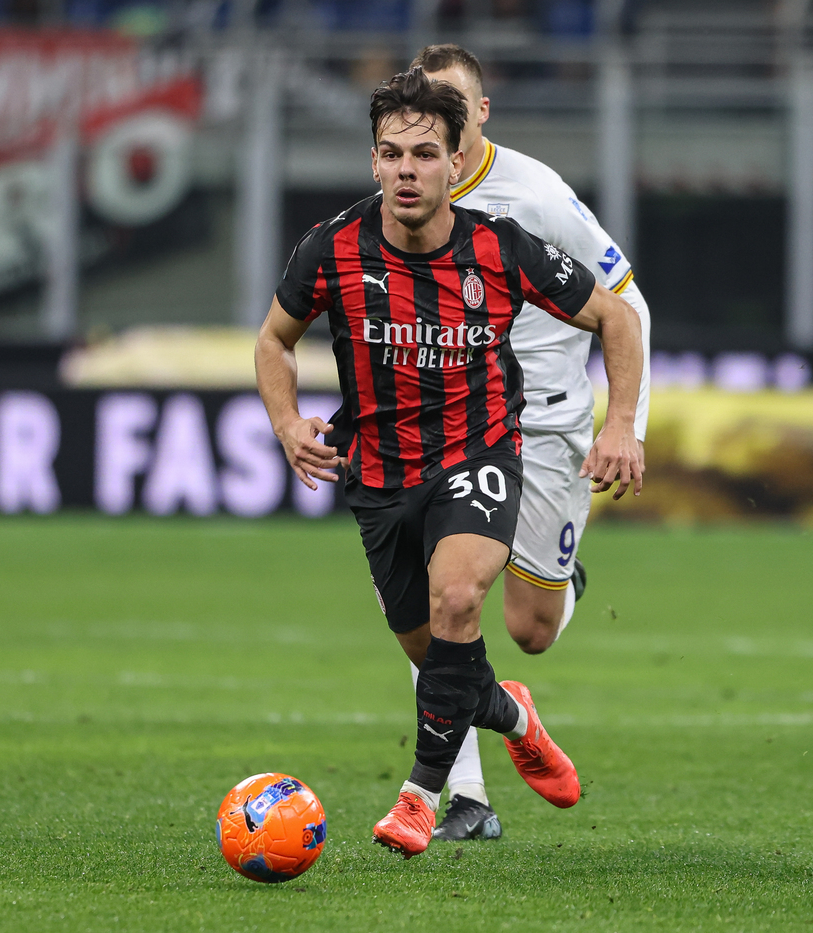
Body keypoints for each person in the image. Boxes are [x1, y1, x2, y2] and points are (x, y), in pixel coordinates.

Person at [254, 68, 645, 858]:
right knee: (439, 657)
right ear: (373, 162)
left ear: (454, 158)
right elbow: (273, 341)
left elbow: (616, 317)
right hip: (379, 475)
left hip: (480, 456)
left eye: (424, 154)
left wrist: (623, 424)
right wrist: (287, 420)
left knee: (459, 595)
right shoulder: (331, 247)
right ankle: (512, 716)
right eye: (392, 153)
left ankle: (422, 797)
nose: (407, 169)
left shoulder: (501, 247)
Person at [411, 43, 652, 842]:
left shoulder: (538, 195)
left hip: (545, 424)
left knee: (531, 630)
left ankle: (561, 578)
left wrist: (623, 426)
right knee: (436, 598)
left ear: (479, 114)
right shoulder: (404, 188)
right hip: (450, 422)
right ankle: (465, 797)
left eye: (451, 107)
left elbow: (628, 304)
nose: (431, 126)